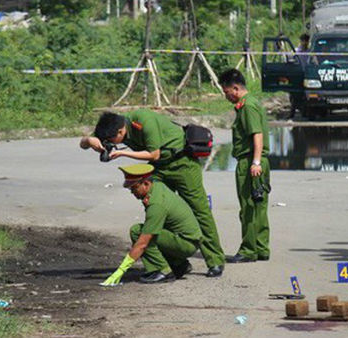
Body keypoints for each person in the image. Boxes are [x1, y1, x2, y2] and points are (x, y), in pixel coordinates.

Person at [79, 110, 225, 278]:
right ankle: (176, 263)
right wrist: (89, 140)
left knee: (199, 211)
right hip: (160, 167)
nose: (110, 143)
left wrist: (121, 153)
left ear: (121, 131)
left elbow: (153, 154)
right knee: (157, 208)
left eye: (112, 141)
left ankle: (215, 260)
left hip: (182, 163)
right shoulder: (110, 126)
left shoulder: (143, 121)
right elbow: (82, 144)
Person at [100, 164, 203, 285]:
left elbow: (142, 243)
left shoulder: (156, 205)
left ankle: (163, 271)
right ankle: (179, 264)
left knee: (137, 231)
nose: (132, 192)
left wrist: (120, 271)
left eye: (134, 188)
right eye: (130, 189)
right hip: (188, 239)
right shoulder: (157, 187)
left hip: (185, 243)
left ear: (146, 183)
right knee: (152, 230)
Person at [219, 68, 271, 263]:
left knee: (249, 207)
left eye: (226, 92)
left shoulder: (247, 106)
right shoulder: (251, 103)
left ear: (235, 88)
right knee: (259, 205)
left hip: (250, 161)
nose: (226, 97)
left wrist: (255, 162)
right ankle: (261, 248)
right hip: (258, 161)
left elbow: (256, 134)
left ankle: (249, 250)